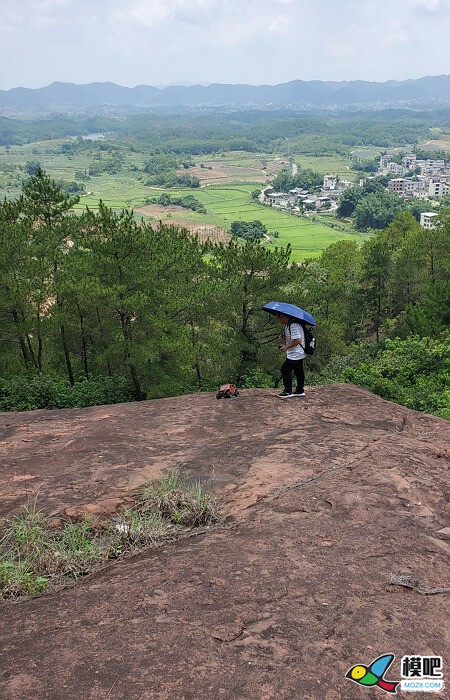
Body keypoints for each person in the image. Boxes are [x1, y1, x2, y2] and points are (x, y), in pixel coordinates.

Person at [276, 312, 306, 398]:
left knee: (285, 369)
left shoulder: (294, 325)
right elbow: (291, 335)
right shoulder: (288, 325)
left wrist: (286, 347)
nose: (278, 320)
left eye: (278, 317)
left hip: (296, 352)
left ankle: (288, 391)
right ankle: (300, 390)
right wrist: (282, 335)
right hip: (298, 352)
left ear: (282, 316)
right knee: (298, 370)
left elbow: (297, 340)